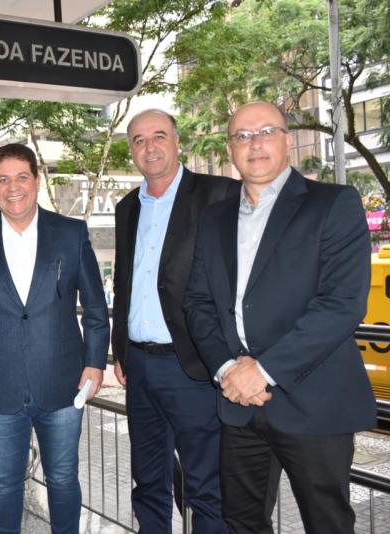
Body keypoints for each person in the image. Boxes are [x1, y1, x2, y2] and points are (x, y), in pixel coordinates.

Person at [184, 101, 376, 534]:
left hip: (314, 401)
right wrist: (228, 370)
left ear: (287, 140)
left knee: (327, 524)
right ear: (230, 150)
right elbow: (197, 303)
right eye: (242, 136)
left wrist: (263, 371)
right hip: (238, 402)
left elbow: (342, 303)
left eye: (266, 131)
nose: (255, 144)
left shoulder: (333, 204)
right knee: (242, 521)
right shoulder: (214, 219)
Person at [0, 143, 110, 534]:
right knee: (4, 484)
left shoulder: (70, 233)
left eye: (22, 177)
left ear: (36, 180)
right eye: (3, 179)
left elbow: (95, 307)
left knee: (63, 478)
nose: (13, 187)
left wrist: (94, 363)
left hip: (64, 383)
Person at [111, 109, 238, 533]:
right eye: (139, 140)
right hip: (139, 367)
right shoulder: (127, 207)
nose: (149, 147)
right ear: (131, 150)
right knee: (148, 481)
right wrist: (120, 348)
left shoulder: (219, 194)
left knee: (205, 486)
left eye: (159, 136)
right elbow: (125, 282)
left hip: (193, 365)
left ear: (177, 141)